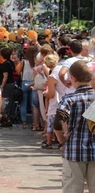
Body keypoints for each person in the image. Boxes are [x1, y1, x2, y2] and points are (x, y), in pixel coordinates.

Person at [53, 60, 95, 192]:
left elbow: (58, 122)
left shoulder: (69, 99)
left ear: (73, 78)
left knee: (72, 188)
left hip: (74, 151)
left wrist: (62, 140)